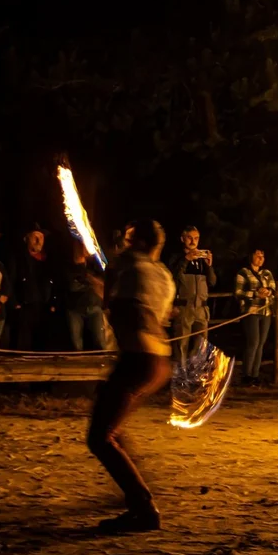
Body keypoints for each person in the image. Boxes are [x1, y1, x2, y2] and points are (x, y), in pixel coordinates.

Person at [88, 219, 174, 533]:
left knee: (100, 437)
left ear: (135, 241)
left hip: (138, 360)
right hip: (159, 361)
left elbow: (116, 306)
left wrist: (103, 280)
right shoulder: (164, 274)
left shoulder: (131, 267)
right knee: (111, 419)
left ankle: (144, 507)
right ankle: (133, 484)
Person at [169, 226, 216, 364]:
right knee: (180, 346)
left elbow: (212, 282)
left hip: (201, 310)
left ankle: (195, 378)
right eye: (189, 237)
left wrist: (209, 265)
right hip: (184, 309)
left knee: (200, 347)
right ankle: (180, 380)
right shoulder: (176, 258)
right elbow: (172, 278)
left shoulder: (202, 260)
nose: (193, 241)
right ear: (182, 239)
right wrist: (185, 260)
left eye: (196, 238)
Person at [9, 225, 56, 351]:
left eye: (41, 237)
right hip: (24, 305)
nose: (38, 240)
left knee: (41, 343)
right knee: (22, 343)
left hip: (43, 306)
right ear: (26, 239)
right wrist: (14, 302)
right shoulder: (18, 257)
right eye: (35, 236)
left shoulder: (48, 259)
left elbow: (55, 281)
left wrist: (53, 302)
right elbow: (11, 280)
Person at [234, 249, 275, 386]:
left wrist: (268, 292)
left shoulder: (267, 273)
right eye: (257, 255)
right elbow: (238, 292)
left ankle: (255, 374)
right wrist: (255, 294)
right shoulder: (243, 273)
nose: (260, 258)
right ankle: (247, 374)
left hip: (265, 312)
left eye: (262, 256)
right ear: (250, 256)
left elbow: (273, 289)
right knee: (253, 342)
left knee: (261, 343)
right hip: (251, 311)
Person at [65, 241, 107, 351]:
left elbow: (103, 284)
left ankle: (101, 366)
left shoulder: (96, 264)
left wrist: (89, 281)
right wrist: (91, 282)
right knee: (75, 344)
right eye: (83, 246)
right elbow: (73, 286)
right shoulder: (70, 265)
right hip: (75, 308)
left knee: (100, 342)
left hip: (94, 308)